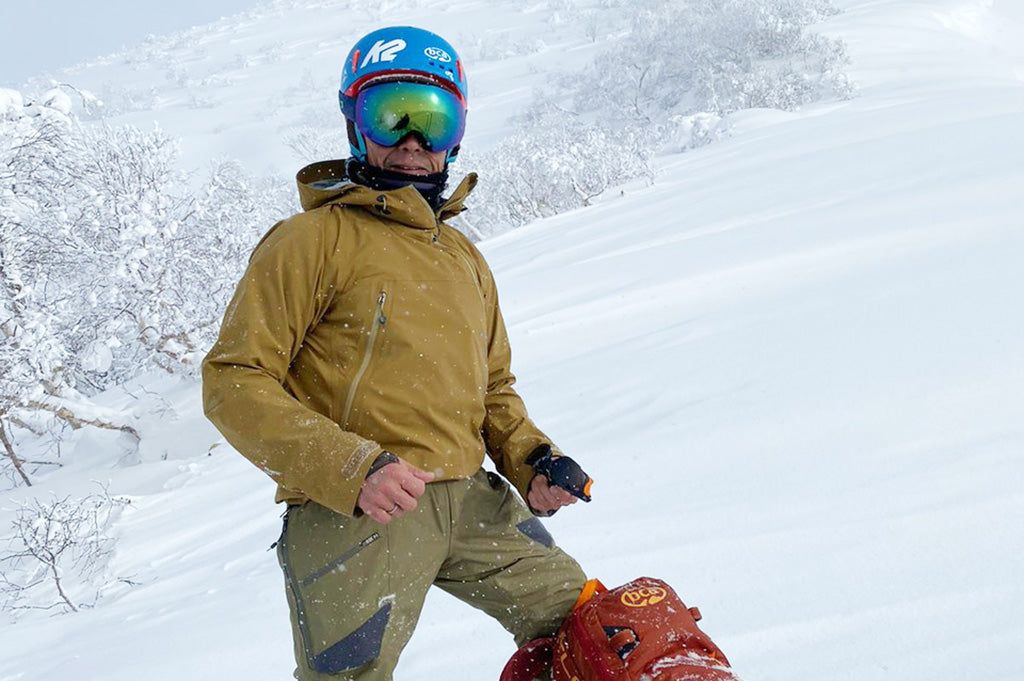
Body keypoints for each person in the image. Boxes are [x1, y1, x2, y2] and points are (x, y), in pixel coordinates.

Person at [202, 26, 591, 681]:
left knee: (597, 634)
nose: (413, 141)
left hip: (473, 501)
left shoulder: (462, 256)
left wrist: (533, 460)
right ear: (356, 125)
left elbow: (492, 387)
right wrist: (354, 468)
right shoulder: (312, 241)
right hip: (356, 513)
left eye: (432, 121)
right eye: (392, 115)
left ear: (456, 134)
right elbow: (233, 379)